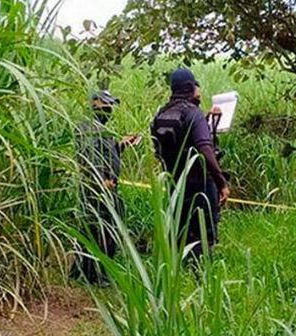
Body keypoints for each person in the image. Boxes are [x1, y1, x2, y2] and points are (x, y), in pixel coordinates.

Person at [150, 68, 230, 262]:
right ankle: (201, 276)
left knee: (182, 229)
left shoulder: (162, 113)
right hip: (200, 186)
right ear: (189, 87)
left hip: (175, 184)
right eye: (196, 86)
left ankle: (179, 272)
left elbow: (160, 149)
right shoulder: (193, 114)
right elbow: (205, 149)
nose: (199, 91)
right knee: (203, 234)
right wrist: (222, 183)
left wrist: (208, 122)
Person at [72, 90, 140, 285]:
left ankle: (85, 272)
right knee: (99, 231)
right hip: (97, 189)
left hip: (104, 188)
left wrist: (121, 146)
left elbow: (105, 153)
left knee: (100, 229)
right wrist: (103, 179)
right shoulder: (88, 127)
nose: (109, 109)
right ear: (94, 103)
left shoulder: (101, 129)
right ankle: (94, 275)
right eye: (106, 104)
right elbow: (89, 156)